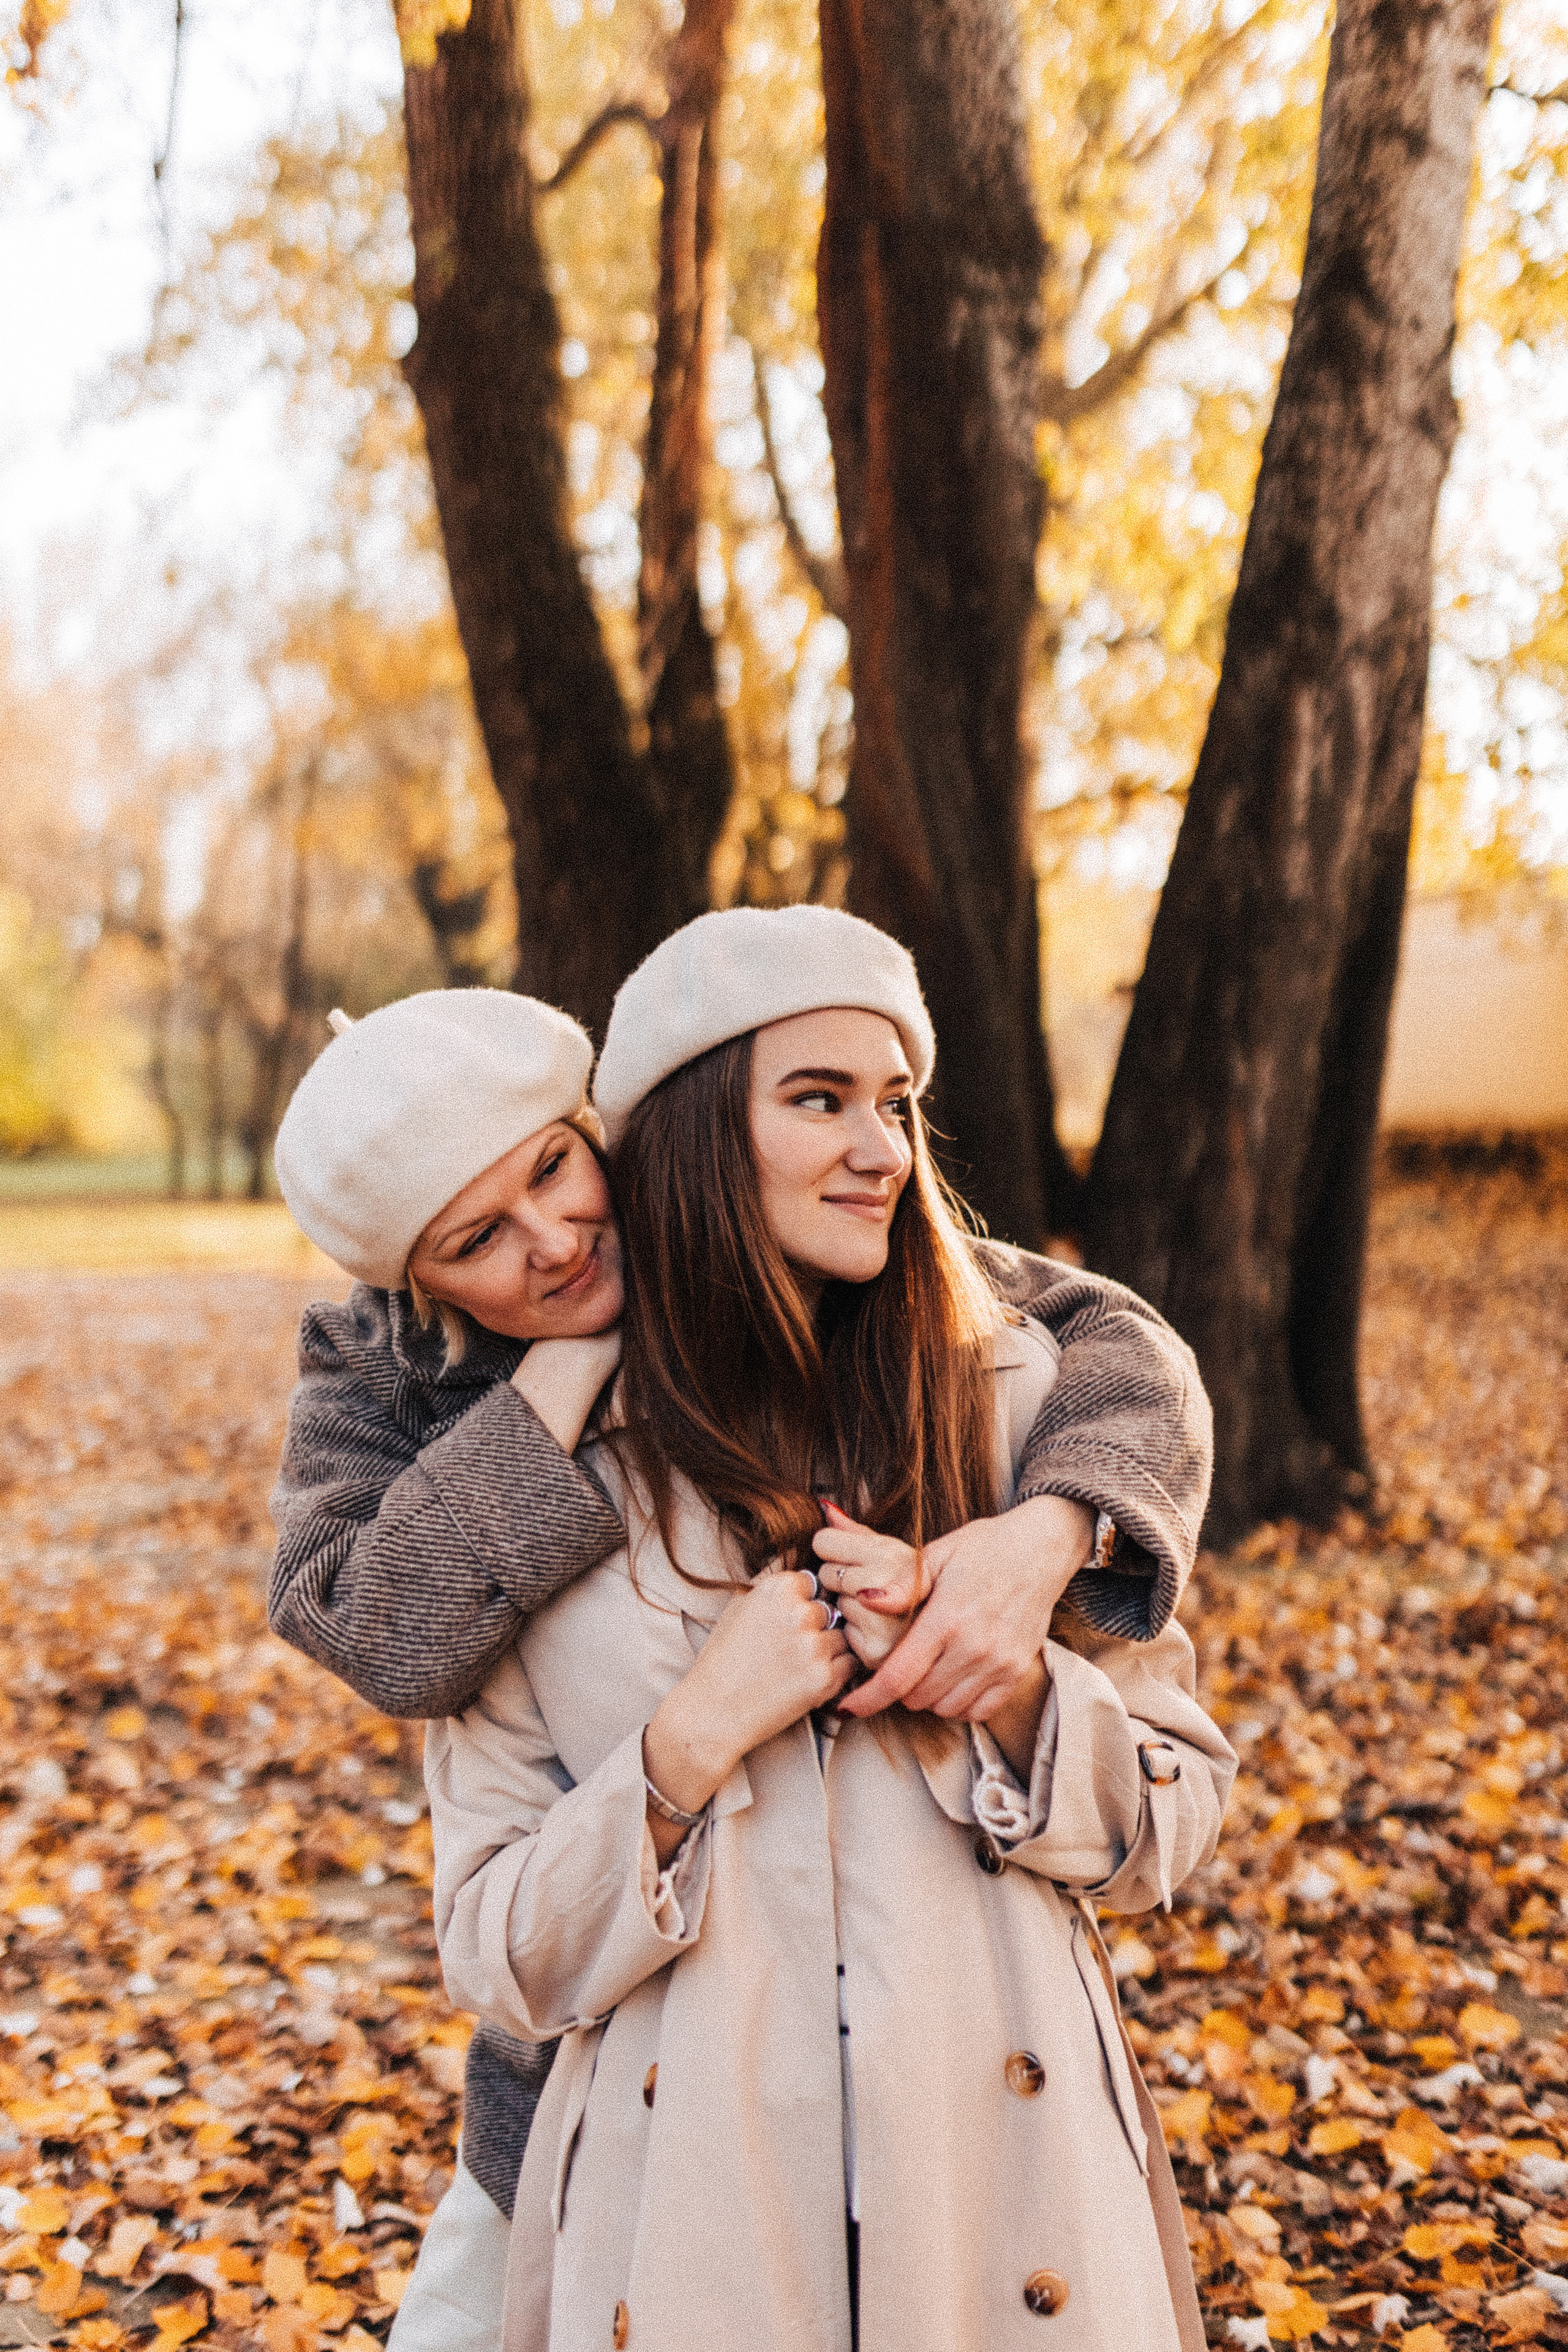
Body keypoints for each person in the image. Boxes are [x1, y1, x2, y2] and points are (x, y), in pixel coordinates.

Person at [268, 948, 1215, 2352]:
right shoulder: (407, 1394)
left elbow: (1099, 1330)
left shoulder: (943, 1346)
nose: (546, 1242)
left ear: (612, 1134)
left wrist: (1048, 1540)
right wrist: (559, 1407)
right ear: (421, 1289)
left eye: (553, 1170)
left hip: (979, 2165)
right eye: (474, 1243)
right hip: (631, 2127)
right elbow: (365, 1620)